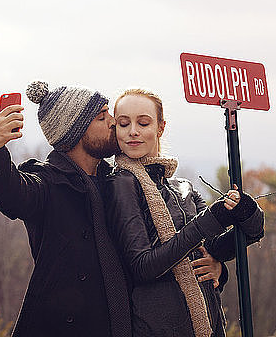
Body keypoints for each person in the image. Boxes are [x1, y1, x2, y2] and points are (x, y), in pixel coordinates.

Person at [0, 81, 131, 337]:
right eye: (102, 116)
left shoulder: (119, 182)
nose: (114, 121)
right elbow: (13, 194)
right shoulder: (47, 183)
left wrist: (216, 262)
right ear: (76, 131)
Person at [104, 88, 264, 337]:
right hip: (157, 329)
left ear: (160, 127)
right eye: (124, 124)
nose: (132, 131)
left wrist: (249, 219)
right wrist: (210, 220)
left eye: (143, 123)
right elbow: (142, 267)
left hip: (208, 325)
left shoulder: (183, 188)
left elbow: (214, 248)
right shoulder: (121, 183)